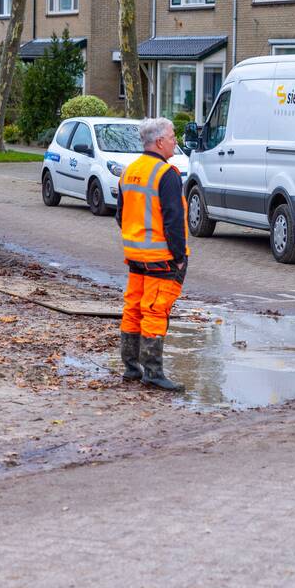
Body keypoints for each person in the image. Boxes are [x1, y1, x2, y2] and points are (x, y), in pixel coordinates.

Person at [115, 117, 189, 392]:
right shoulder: (166, 174)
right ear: (159, 142)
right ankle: (153, 372)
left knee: (133, 308)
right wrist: (179, 255)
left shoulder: (130, 171)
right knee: (156, 311)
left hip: (135, 255)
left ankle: (131, 368)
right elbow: (173, 219)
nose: (175, 141)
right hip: (162, 257)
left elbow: (121, 215)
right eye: (172, 136)